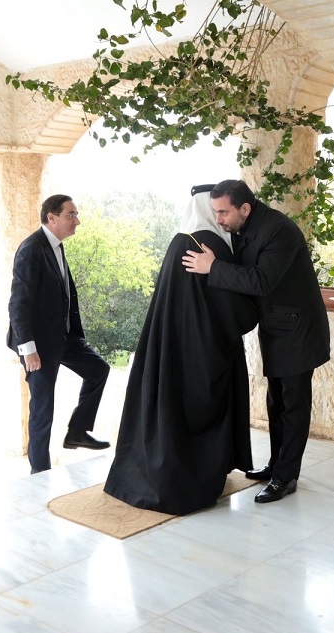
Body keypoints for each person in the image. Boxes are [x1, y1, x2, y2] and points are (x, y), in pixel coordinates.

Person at [104, 185, 258, 514]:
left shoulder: (179, 241)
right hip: (205, 353)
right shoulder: (212, 245)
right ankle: (194, 480)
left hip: (171, 348)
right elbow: (235, 311)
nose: (221, 218)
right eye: (218, 211)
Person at [182, 179, 330, 503]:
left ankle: (286, 478)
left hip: (299, 330)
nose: (219, 219)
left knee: (293, 406)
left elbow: (261, 281)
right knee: (276, 403)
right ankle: (277, 465)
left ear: (245, 208)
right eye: (215, 212)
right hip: (278, 328)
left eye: (223, 212)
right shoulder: (245, 227)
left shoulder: (279, 230)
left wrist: (213, 267)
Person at [7, 194, 111, 474]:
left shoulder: (56, 246)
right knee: (42, 409)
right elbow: (18, 303)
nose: (77, 220)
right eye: (71, 215)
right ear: (51, 218)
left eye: (76, 214)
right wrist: (28, 349)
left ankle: (77, 431)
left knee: (98, 369)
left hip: (64, 338)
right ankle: (39, 472)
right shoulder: (31, 249)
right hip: (39, 345)